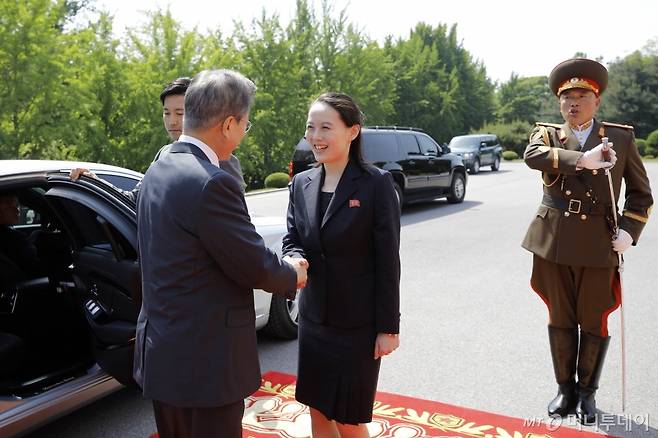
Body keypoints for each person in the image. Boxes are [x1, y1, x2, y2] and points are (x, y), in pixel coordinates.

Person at [134, 69, 308, 438]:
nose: (245, 133)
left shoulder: (158, 169)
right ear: (229, 124)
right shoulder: (212, 182)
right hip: (205, 364)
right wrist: (292, 272)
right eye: (246, 124)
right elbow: (253, 265)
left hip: (164, 354)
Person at [522, 58, 653, 424]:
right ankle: (564, 388)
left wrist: (630, 230)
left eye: (581, 96)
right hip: (554, 242)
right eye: (566, 98)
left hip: (599, 243)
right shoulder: (546, 136)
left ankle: (587, 394)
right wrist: (583, 160)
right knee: (560, 317)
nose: (573, 104)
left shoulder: (621, 137)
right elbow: (532, 157)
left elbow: (641, 195)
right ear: (559, 104)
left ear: (596, 101)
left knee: (593, 321)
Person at [282, 92, 401, 437]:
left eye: (325, 127)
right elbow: (293, 236)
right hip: (315, 320)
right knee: (317, 410)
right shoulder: (301, 182)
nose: (315, 136)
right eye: (310, 127)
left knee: (349, 418)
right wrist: (293, 258)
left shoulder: (376, 183)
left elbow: (388, 260)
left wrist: (388, 328)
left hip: (358, 326)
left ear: (352, 131)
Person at [69, 77, 247, 197]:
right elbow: (136, 199)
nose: (172, 121)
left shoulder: (222, 160)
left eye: (180, 113)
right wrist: (95, 182)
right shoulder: (164, 154)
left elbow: (235, 222)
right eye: (167, 113)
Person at [0, 194, 42, 280]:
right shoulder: (14, 239)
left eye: (17, 205)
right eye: (8, 204)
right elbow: (35, 268)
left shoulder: (13, 236)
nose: (17, 209)